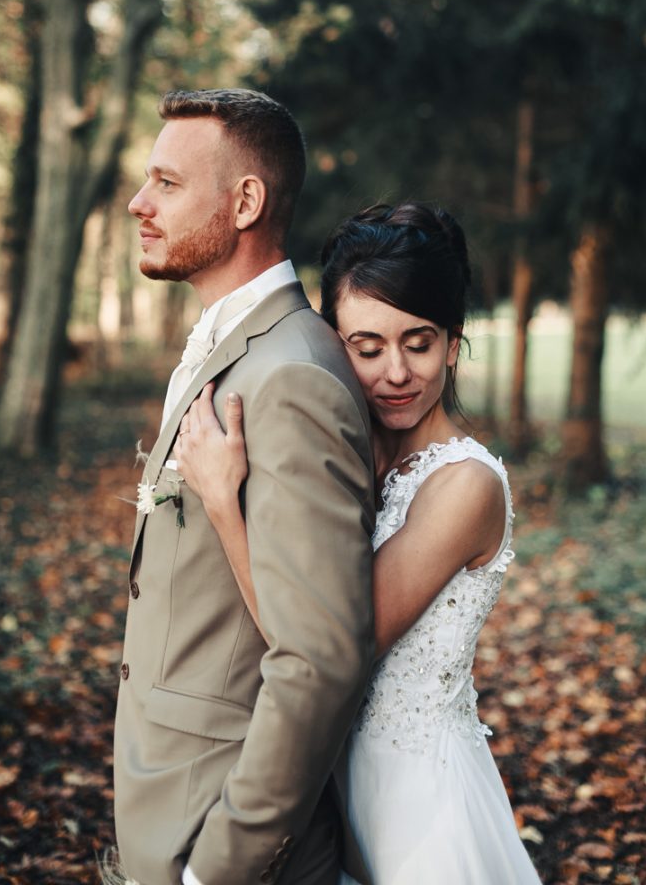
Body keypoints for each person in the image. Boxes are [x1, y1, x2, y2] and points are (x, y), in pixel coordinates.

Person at [176, 201, 543, 885]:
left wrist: (226, 507)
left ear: (453, 344)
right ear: (333, 342)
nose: (395, 373)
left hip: (420, 810)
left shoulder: (465, 486)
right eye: (367, 348)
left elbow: (329, 646)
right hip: (336, 795)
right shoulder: (351, 462)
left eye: (419, 342)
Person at [112, 89, 376, 885]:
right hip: (167, 801)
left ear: (246, 202)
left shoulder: (291, 377)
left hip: (223, 833)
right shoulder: (231, 348)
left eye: (166, 182)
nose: (138, 203)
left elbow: (320, 659)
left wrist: (221, 865)